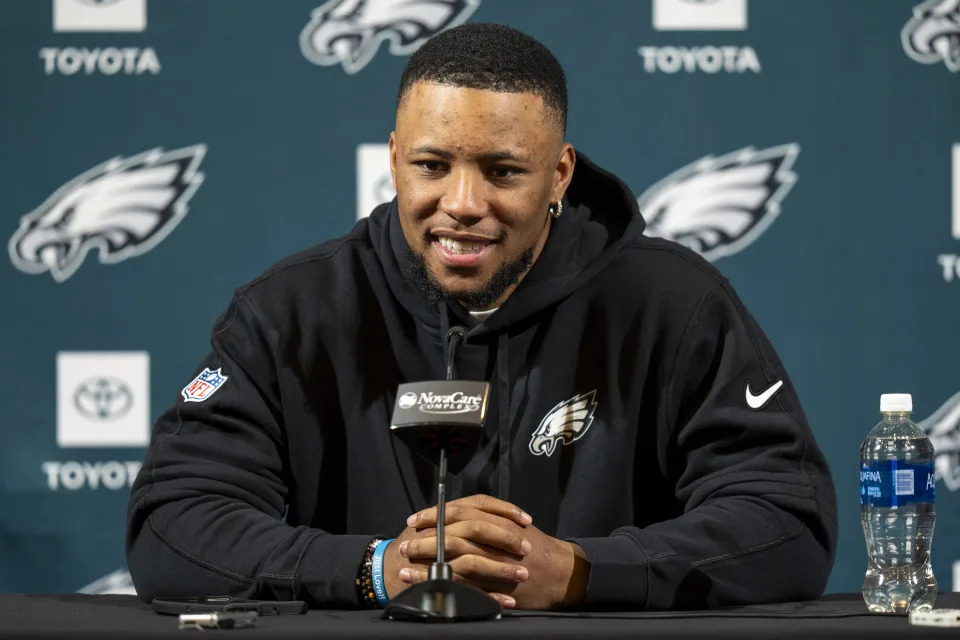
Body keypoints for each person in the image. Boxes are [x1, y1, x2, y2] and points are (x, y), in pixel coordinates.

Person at [126, 23, 837, 611]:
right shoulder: (290, 311)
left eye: (502, 171)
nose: (463, 203)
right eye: (432, 166)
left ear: (559, 174)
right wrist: (374, 569)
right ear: (396, 159)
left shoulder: (675, 303)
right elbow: (174, 523)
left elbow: (786, 522)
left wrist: (585, 572)